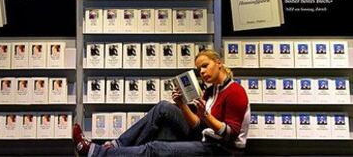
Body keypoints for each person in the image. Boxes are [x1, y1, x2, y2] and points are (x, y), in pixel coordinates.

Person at [73, 49, 250, 156]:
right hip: (205, 136)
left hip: (222, 149)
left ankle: (95, 152)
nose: (202, 72)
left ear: (218, 63)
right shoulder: (211, 90)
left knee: (155, 148)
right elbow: (196, 125)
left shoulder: (235, 92)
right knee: (163, 107)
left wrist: (206, 115)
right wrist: (181, 104)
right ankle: (116, 146)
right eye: (198, 69)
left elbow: (230, 135)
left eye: (205, 65)